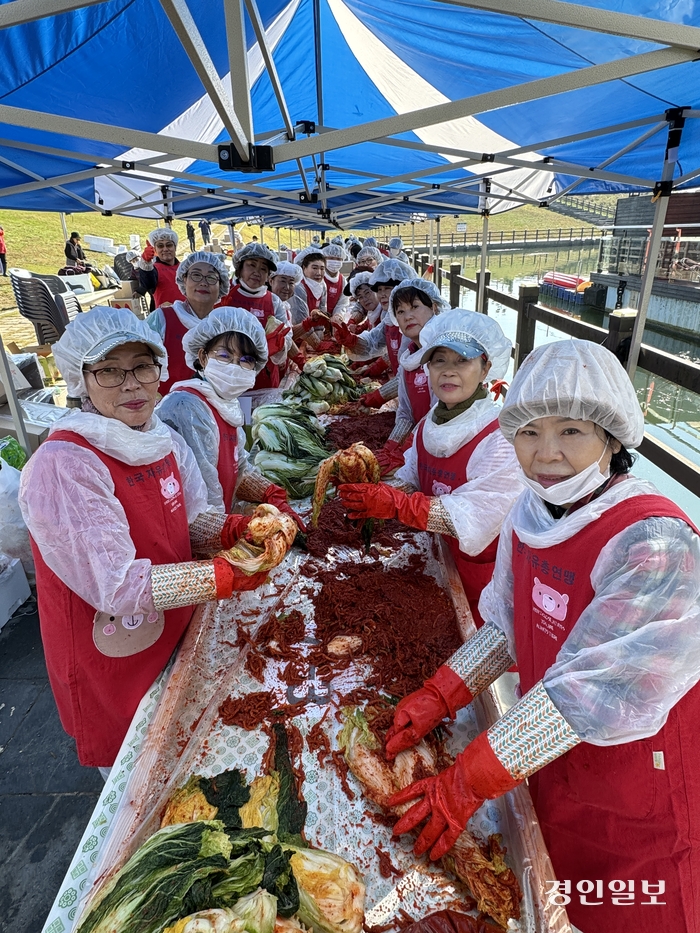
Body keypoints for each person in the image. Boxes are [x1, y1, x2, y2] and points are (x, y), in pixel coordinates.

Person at [382, 338, 700, 933]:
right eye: (529, 432)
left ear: (612, 436)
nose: (546, 453)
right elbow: (504, 627)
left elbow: (592, 694)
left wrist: (466, 780)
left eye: (572, 431)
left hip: (638, 791)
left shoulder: (653, 543)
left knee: (639, 912)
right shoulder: (531, 515)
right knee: (561, 900)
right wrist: (440, 693)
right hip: (550, 763)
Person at [18, 307, 273, 773]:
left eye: (142, 366)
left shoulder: (162, 440)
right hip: (111, 651)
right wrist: (223, 575)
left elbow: (193, 519)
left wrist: (237, 530)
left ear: (160, 371)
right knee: (132, 777)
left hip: (172, 627)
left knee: (174, 752)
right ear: (81, 378)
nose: (131, 384)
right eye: (110, 371)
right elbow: (117, 587)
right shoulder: (65, 465)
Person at [340, 308, 519, 626]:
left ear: (486, 367)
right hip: (438, 560)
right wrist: (379, 494)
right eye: (439, 361)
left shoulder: (499, 438)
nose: (449, 372)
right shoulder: (428, 425)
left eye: (462, 361)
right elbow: (411, 474)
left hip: (484, 577)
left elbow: (472, 514)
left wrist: (396, 505)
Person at [157, 307, 305, 527]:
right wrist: (230, 531)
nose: (235, 366)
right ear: (203, 357)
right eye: (224, 355)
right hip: (194, 537)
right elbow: (200, 504)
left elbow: (239, 464)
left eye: (246, 359)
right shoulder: (187, 408)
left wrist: (269, 492)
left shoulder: (226, 404)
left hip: (219, 523)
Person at [374, 279, 449, 474]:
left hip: (446, 452)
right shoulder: (408, 358)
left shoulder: (445, 354)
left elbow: (442, 414)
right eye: (400, 311)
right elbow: (406, 412)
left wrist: (408, 446)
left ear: (433, 307)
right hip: (421, 449)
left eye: (415, 307)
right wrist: (392, 444)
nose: (408, 316)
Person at [333, 258, 416, 408]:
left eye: (388, 288)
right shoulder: (390, 320)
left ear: (405, 287)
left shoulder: (416, 324)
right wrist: (351, 340)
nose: (382, 295)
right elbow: (372, 343)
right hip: (407, 393)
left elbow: (409, 372)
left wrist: (379, 396)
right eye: (379, 290)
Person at [147, 250, 229, 394]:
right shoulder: (161, 319)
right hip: (165, 409)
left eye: (211, 277)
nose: (203, 283)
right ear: (184, 279)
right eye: (196, 275)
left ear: (221, 285)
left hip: (214, 410)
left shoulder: (226, 325)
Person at [220, 243, 291, 390]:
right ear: (240, 269)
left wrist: (279, 347)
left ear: (268, 276)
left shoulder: (274, 301)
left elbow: (286, 334)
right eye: (251, 265)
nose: (257, 272)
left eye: (263, 269)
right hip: (231, 374)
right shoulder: (227, 298)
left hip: (266, 374)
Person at [269, 261, 327, 359]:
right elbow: (279, 340)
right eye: (282, 281)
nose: (287, 287)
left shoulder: (285, 306)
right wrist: (299, 360)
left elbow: (288, 335)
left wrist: (308, 323)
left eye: (291, 283)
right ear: (271, 281)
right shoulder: (269, 306)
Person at [138, 228, 181, 310]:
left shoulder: (183, 267)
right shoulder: (154, 270)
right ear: (155, 250)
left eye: (169, 245)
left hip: (188, 316)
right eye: (160, 246)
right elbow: (148, 283)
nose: (165, 249)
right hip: (166, 317)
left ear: (175, 247)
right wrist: (145, 262)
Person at [321, 243, 349, 318]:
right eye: (331, 258)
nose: (334, 262)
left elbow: (342, 304)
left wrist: (337, 316)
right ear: (324, 259)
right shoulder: (318, 277)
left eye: (338, 259)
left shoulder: (342, 281)